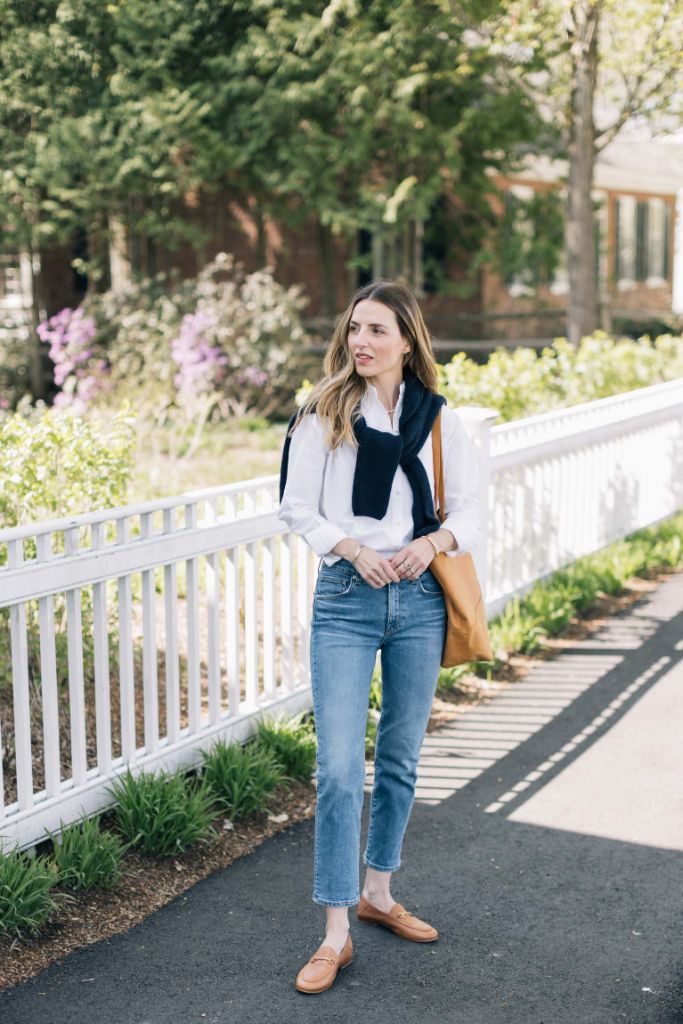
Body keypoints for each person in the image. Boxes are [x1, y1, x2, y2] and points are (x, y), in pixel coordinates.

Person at [277, 279, 481, 994]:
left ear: (406, 341)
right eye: (355, 327)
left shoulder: (438, 420)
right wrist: (351, 548)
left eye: (377, 331)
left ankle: (378, 894)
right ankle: (334, 932)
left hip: (420, 600)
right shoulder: (324, 411)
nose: (361, 341)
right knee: (336, 770)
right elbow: (296, 507)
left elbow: (472, 512)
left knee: (397, 760)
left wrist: (432, 546)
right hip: (345, 597)